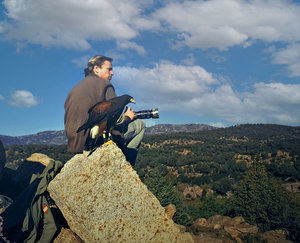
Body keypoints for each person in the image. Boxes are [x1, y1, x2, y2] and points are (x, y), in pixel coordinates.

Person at [64, 55, 145, 165]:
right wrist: (127, 117)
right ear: (96, 69)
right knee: (140, 125)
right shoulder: (105, 85)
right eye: (109, 69)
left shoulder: (73, 91)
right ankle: (126, 165)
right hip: (96, 140)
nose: (112, 73)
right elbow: (114, 119)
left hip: (75, 144)